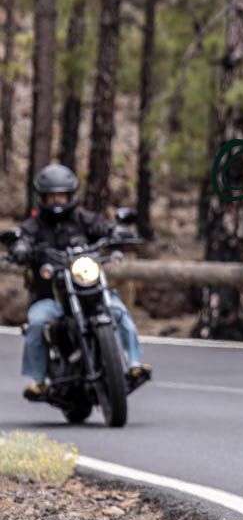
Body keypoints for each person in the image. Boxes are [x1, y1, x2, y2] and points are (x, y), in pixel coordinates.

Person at [8, 163, 150, 400]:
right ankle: (39, 380)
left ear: (70, 196)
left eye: (61, 195)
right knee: (36, 323)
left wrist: (117, 232)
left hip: (88, 288)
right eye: (51, 196)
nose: (56, 201)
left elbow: (103, 227)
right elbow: (21, 236)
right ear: (42, 197)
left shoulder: (83, 218)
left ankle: (134, 364)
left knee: (117, 309)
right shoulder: (34, 225)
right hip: (51, 296)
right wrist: (20, 246)